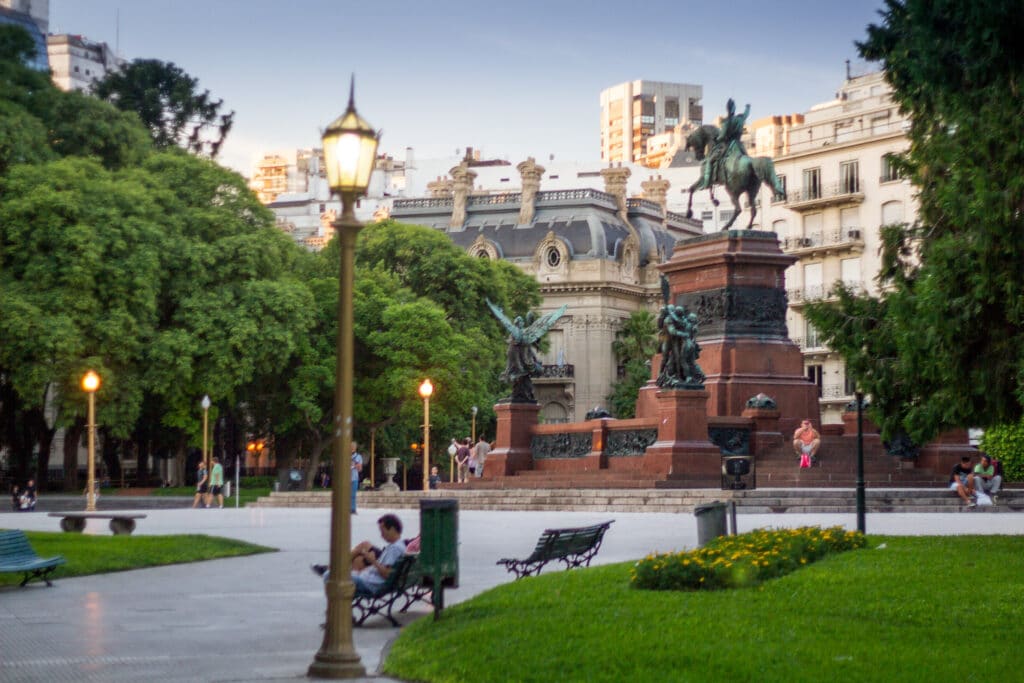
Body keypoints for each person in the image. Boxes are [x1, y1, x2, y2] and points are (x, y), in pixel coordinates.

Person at [311, 514, 407, 596]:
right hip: (368, 579)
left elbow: (387, 574)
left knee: (329, 575)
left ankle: (337, 607)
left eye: (383, 531)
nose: (381, 535)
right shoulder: (398, 545)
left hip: (370, 584)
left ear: (393, 529)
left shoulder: (395, 549)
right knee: (340, 571)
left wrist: (372, 561)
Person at [350, 441, 363, 514]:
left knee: (353, 495)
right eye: (351, 446)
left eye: (353, 446)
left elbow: (360, 469)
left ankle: (353, 509)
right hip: (346, 478)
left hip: (354, 478)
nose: (352, 448)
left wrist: (354, 466)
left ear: (355, 448)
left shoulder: (358, 456)